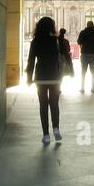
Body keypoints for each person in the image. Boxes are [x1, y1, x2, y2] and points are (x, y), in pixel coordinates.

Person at [25, 16, 63, 145]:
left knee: (43, 105)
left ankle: (46, 135)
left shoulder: (35, 41)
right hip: (54, 77)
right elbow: (59, 60)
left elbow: (31, 61)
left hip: (41, 77)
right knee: (54, 104)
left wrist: (29, 78)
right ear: (52, 27)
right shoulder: (55, 41)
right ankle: (56, 128)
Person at [77, 20, 94, 93]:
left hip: (84, 53)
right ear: (93, 25)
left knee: (83, 71)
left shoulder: (83, 32)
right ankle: (93, 87)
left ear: (87, 25)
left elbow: (79, 41)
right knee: (93, 71)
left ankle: (82, 88)